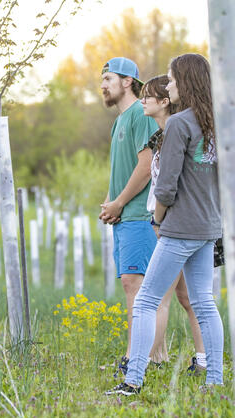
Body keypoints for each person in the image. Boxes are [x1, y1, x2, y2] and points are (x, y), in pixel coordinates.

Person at [105, 53, 223, 396]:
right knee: (204, 301)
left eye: (171, 80)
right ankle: (214, 380)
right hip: (208, 227)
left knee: (145, 302)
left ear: (184, 82)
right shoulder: (213, 124)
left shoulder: (179, 124)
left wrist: (157, 220)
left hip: (179, 228)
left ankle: (133, 380)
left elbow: (166, 186)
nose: (167, 86)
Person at [138, 74, 207, 373]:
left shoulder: (177, 133)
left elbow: (169, 185)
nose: (143, 101)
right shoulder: (159, 137)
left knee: (157, 296)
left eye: (148, 96)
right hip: (177, 220)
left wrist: (158, 219)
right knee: (186, 296)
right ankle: (201, 358)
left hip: (172, 222)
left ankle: (148, 359)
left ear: (165, 101)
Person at [98, 57, 159, 376]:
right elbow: (120, 170)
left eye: (108, 78)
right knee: (129, 285)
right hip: (123, 216)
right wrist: (110, 201)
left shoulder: (140, 115)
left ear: (127, 81)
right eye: (102, 80)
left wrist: (120, 203)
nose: (103, 85)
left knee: (137, 286)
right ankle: (137, 356)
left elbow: (147, 166)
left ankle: (136, 361)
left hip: (138, 216)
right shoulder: (118, 121)